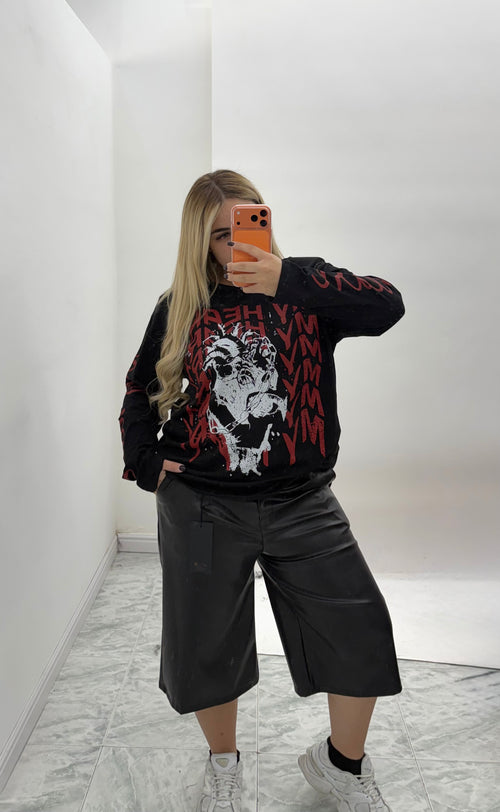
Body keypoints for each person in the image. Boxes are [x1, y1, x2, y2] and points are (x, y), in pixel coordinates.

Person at [119, 169, 405, 812]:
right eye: (221, 235)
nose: (238, 243)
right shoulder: (181, 305)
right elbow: (140, 386)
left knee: (358, 629)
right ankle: (223, 763)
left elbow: (388, 305)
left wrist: (290, 279)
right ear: (200, 242)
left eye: (249, 224)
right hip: (202, 505)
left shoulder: (307, 288)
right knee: (206, 645)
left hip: (303, 500)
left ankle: (342, 766)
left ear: (267, 220)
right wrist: (145, 461)